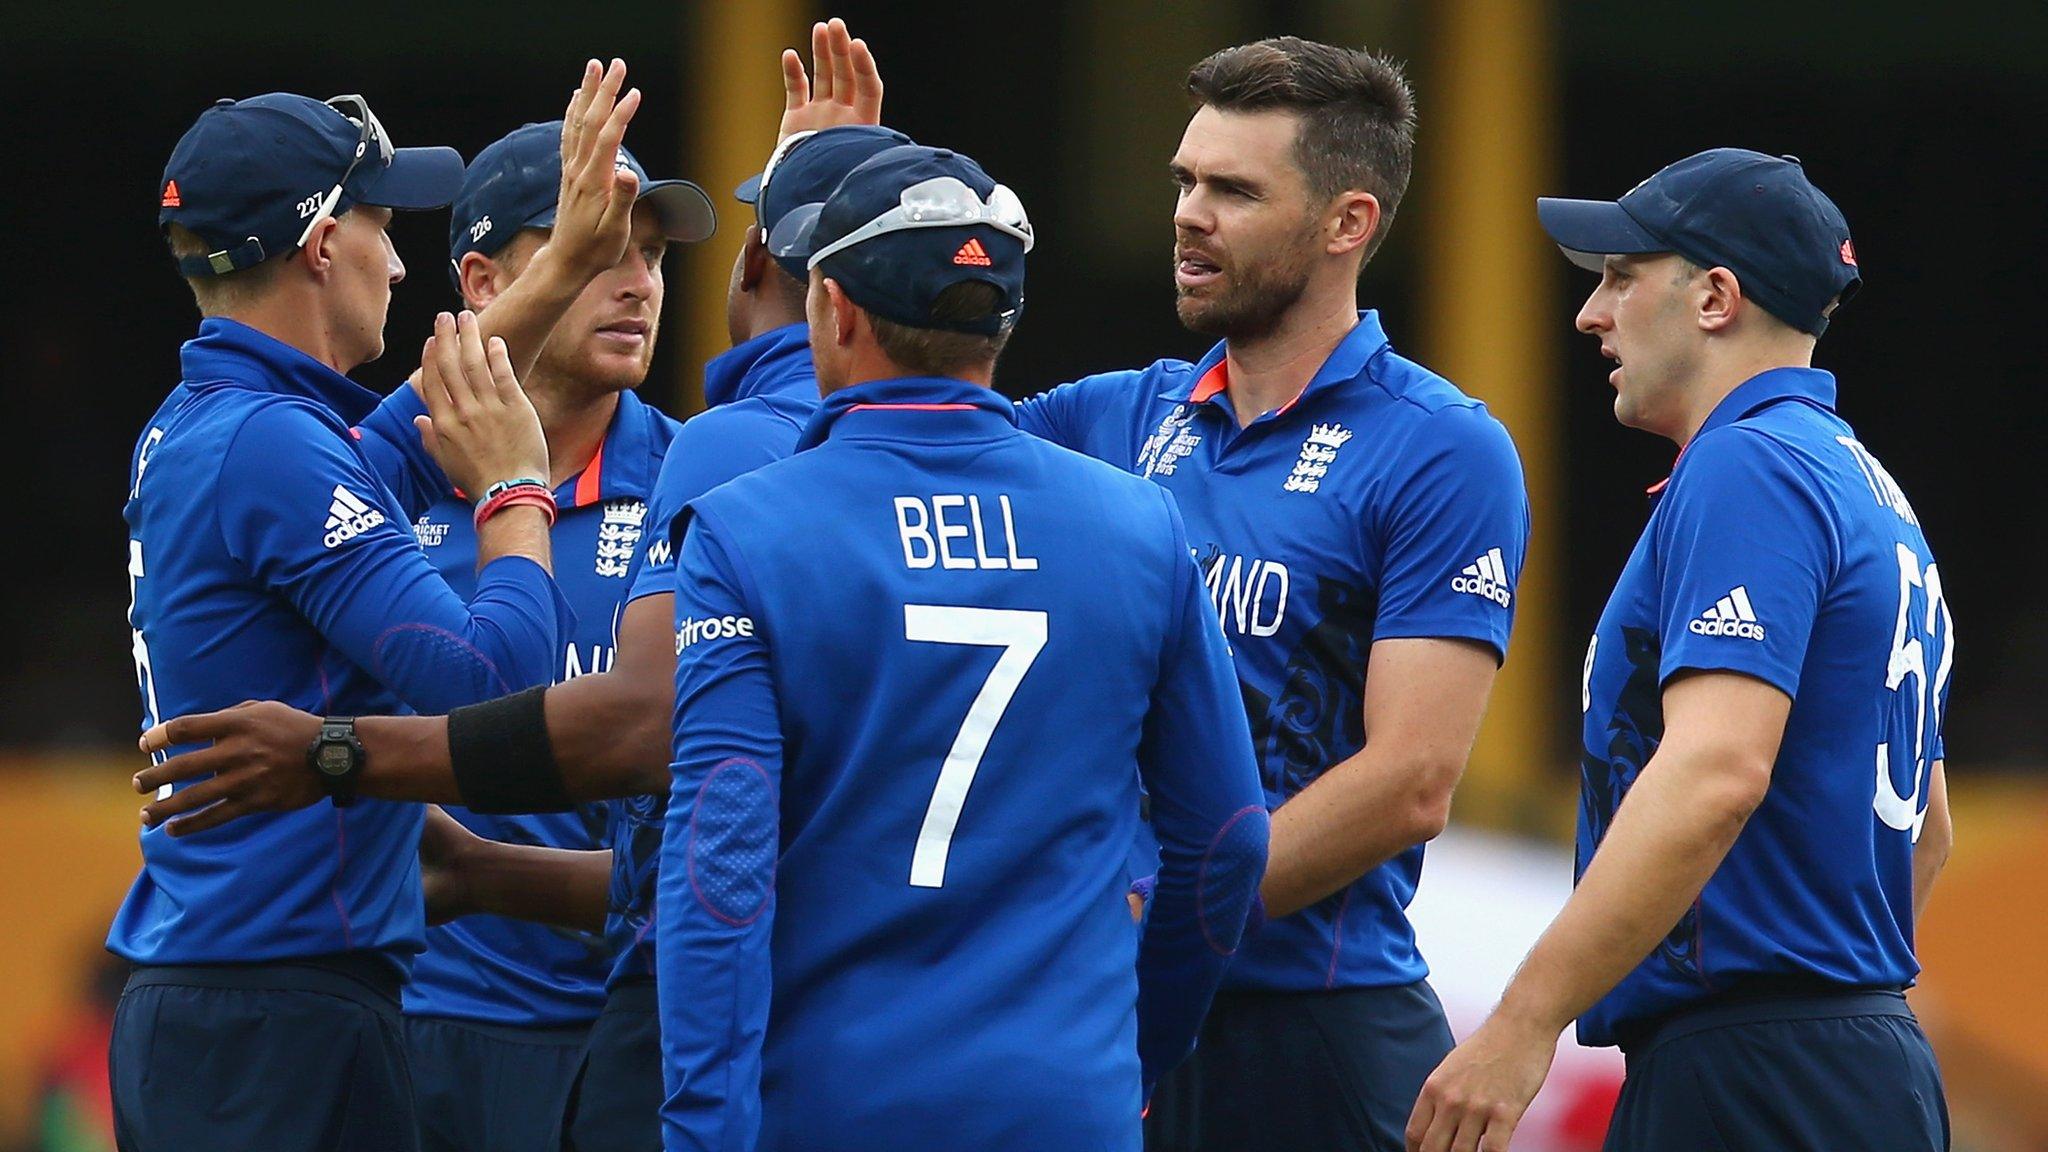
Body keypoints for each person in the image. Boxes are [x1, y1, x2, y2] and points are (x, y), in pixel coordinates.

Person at [656, 140, 1267, 1152]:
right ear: (1000, 324)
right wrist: (1127, 1053)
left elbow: (720, 861)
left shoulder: (745, 529)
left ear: (833, 309)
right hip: (1066, 1102)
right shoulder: (1137, 525)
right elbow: (1230, 840)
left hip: (834, 1102)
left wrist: (704, 1131)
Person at [1011, 38, 1531, 1152]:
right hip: (1108, 1018)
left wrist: (1165, 922)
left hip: (1311, 1027)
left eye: (1233, 191)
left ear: (1347, 223)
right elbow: (886, 442)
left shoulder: (1439, 448)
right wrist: (825, 201)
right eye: (1184, 183)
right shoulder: (1109, 418)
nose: (1189, 214)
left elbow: (1409, 783)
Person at [1406, 149, 1954, 1152]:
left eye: (1620, 275)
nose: (1589, 312)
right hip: (1854, 1058)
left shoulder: (1749, 464)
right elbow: (1926, 834)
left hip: (1749, 1075)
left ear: (1712, 297)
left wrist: (1522, 1024)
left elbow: (1712, 771)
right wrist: (1830, 1003)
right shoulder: (1866, 485)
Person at [114, 87, 582, 1151]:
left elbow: (423, 418)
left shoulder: (210, 423)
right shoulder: (275, 444)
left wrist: (565, 263)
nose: (402, 262)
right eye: (382, 225)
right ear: (324, 245)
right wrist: (514, 488)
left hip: (217, 1005)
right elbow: (492, 689)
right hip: (284, 1021)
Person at [352, 117, 714, 1152]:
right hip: (408, 1018)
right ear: (482, 279)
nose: (638, 280)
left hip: (622, 1039)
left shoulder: (699, 482)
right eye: (598, 248)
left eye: (649, 251)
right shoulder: (377, 484)